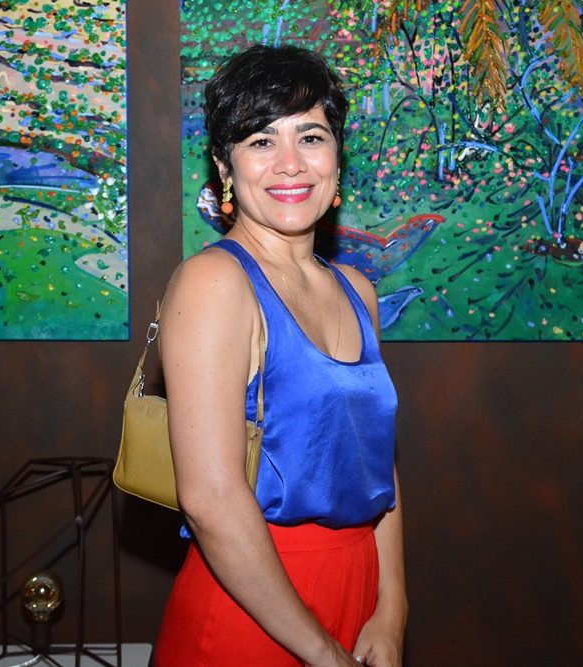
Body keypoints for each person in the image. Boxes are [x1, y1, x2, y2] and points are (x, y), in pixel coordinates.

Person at [153, 44, 407, 667]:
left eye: (310, 137)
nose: (290, 163)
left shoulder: (357, 290)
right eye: (261, 140)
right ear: (225, 166)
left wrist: (393, 609)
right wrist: (321, 652)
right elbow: (210, 499)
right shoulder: (214, 283)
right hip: (252, 607)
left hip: (359, 590)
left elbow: (379, 467)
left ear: (337, 157)